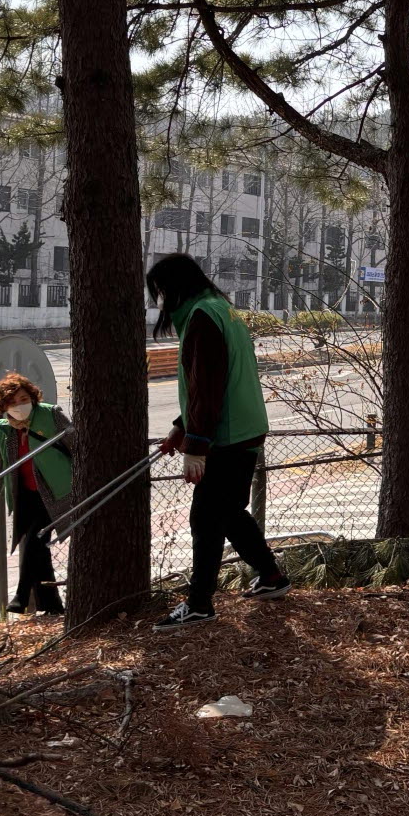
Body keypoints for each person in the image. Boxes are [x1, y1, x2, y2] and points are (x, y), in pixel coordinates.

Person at [148, 254, 289, 629]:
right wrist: (182, 426)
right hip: (243, 428)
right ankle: (272, 577)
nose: (160, 301)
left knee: (206, 518)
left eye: (160, 292)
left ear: (174, 287)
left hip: (226, 435)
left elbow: (207, 387)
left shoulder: (201, 318)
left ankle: (199, 603)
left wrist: (196, 445)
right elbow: (209, 385)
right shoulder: (221, 309)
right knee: (227, 512)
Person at [0, 373, 71, 616]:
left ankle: (20, 594)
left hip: (55, 492)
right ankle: (52, 606)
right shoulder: (2, 430)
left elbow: (78, 446)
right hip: (25, 496)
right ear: (3, 407)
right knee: (39, 550)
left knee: (34, 539)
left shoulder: (51, 414)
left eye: (24, 398)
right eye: (13, 402)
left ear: (33, 397)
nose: (20, 406)